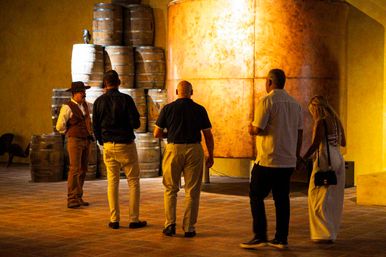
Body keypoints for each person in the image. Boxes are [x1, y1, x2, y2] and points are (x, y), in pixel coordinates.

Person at [240, 69, 303, 249]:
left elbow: (257, 129)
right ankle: (281, 239)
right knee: (282, 199)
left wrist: (249, 127)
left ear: (269, 82)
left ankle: (260, 236)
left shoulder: (266, 101)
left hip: (268, 159)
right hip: (288, 160)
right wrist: (296, 155)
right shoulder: (295, 104)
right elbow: (300, 132)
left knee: (256, 196)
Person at [153, 80, 214, 238]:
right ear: (191, 92)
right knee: (192, 191)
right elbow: (208, 135)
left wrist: (170, 134)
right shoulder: (200, 109)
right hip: (194, 149)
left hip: (173, 148)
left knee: (170, 188)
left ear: (176, 92)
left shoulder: (168, 109)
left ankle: (170, 225)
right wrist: (211, 155)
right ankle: (189, 228)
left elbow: (156, 133)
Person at [92, 70, 147, 230]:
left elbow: (95, 127)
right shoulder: (126, 100)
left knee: (112, 182)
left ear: (105, 84)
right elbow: (136, 123)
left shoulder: (98, 102)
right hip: (126, 145)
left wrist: (103, 142)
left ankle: (114, 219)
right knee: (133, 182)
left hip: (108, 145)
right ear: (119, 82)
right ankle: (133, 219)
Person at [298, 95, 346, 243]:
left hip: (325, 159)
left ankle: (322, 234)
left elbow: (315, 144)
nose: (311, 113)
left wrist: (302, 159)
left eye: (311, 110)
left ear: (316, 107)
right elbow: (343, 142)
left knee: (316, 196)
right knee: (332, 198)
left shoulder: (321, 121)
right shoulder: (336, 120)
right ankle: (331, 233)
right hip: (337, 157)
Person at [56, 81, 93, 209]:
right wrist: (69, 132)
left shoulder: (85, 106)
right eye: (81, 92)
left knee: (83, 169)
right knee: (74, 169)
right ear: (74, 93)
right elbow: (60, 125)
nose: (84, 94)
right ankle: (71, 198)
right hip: (75, 140)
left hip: (86, 140)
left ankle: (78, 196)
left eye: (84, 92)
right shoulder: (67, 107)